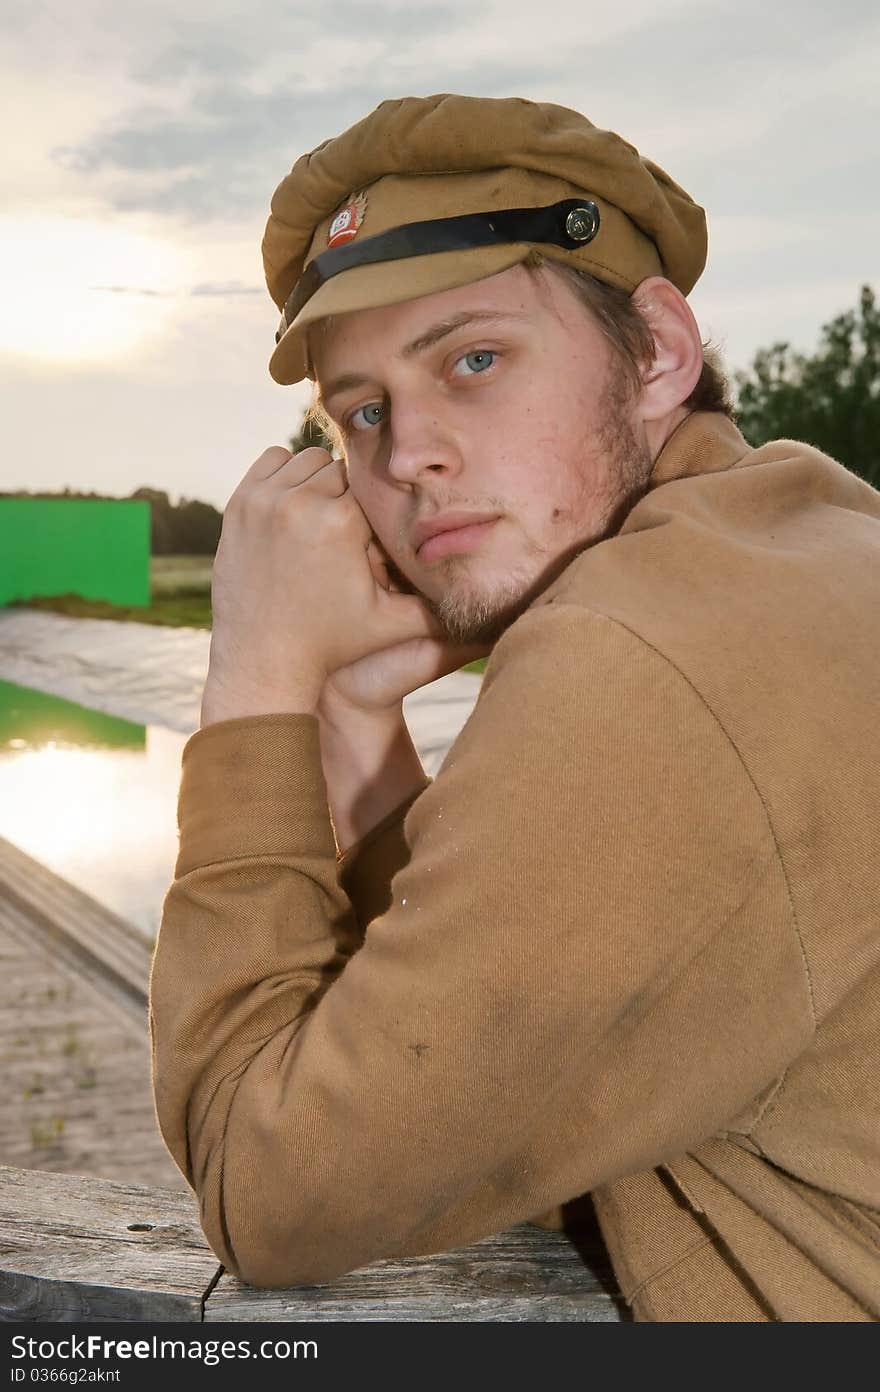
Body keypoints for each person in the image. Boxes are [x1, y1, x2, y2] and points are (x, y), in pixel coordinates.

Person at [149, 94, 880, 1321]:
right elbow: (503, 1082)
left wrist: (258, 686)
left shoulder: (638, 665)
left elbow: (266, 1189)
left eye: (472, 360)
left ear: (656, 353)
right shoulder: (803, 544)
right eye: (362, 410)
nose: (404, 458)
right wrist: (358, 728)